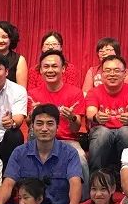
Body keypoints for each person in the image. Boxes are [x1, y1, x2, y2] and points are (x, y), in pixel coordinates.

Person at [0, 104, 83, 204]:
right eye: (39, 123)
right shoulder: (19, 152)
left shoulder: (70, 153)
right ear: (32, 126)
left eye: (50, 124)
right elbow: (8, 184)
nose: (44, 128)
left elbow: (75, 183)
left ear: (57, 127)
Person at [28, 49, 88, 182]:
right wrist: (32, 115)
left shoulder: (75, 93)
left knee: (81, 159)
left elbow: (75, 129)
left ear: (63, 69)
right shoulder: (32, 94)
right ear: (40, 70)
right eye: (46, 66)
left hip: (67, 141)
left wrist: (71, 117)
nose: (50, 70)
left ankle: (84, 195)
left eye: (54, 66)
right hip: (40, 140)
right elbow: (29, 125)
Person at [85, 55, 128, 173]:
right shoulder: (94, 92)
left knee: (127, 132)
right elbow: (90, 112)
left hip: (125, 128)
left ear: (124, 73)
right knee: (102, 133)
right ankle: (96, 177)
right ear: (102, 74)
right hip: (101, 129)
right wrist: (96, 117)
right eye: (107, 70)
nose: (112, 74)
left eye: (116, 70)